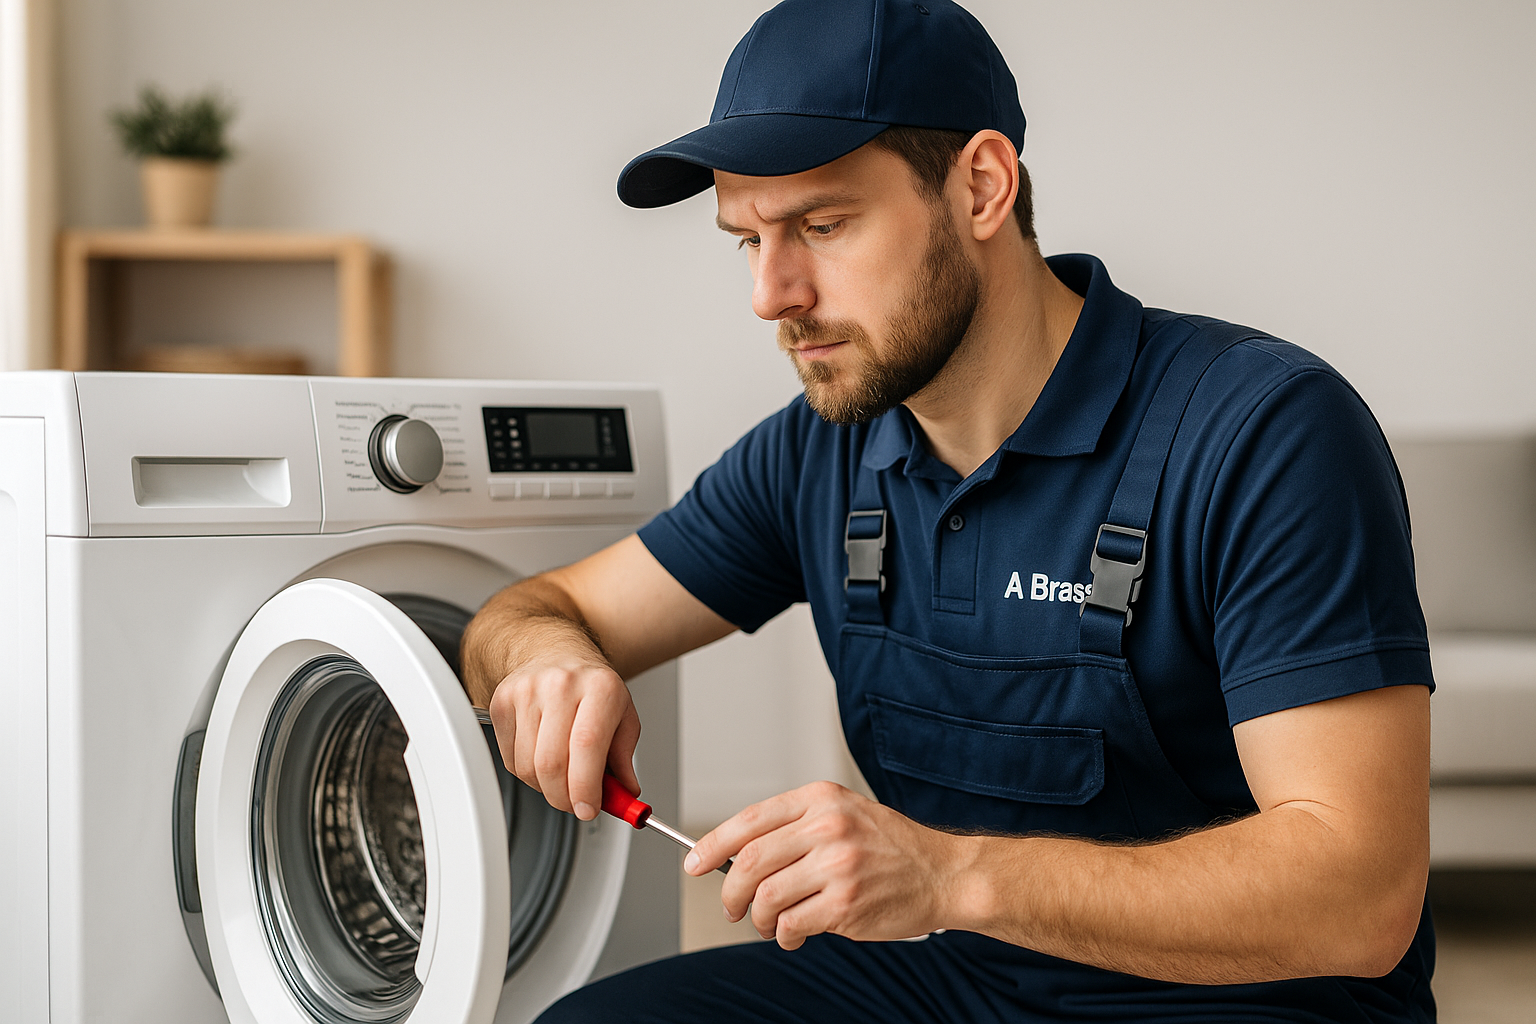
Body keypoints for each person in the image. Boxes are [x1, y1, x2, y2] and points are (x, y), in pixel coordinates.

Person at [461, 1, 1436, 1021]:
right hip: (964, 981)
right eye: (745, 240)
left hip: (1257, 1002)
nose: (770, 293)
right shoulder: (820, 451)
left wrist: (949, 876)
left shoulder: (1262, 431)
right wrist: (542, 661)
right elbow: (527, 610)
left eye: (823, 225)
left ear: (981, 185)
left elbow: (1358, 894)